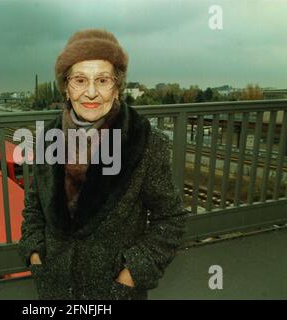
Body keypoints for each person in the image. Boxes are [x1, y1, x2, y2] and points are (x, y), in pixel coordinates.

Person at [18, 29, 186, 300]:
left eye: (103, 80)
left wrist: (131, 273)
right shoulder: (47, 139)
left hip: (113, 291)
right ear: (66, 88)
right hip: (55, 287)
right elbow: (34, 206)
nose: (91, 93)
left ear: (117, 87)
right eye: (80, 80)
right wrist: (35, 254)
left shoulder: (145, 142)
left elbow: (171, 219)